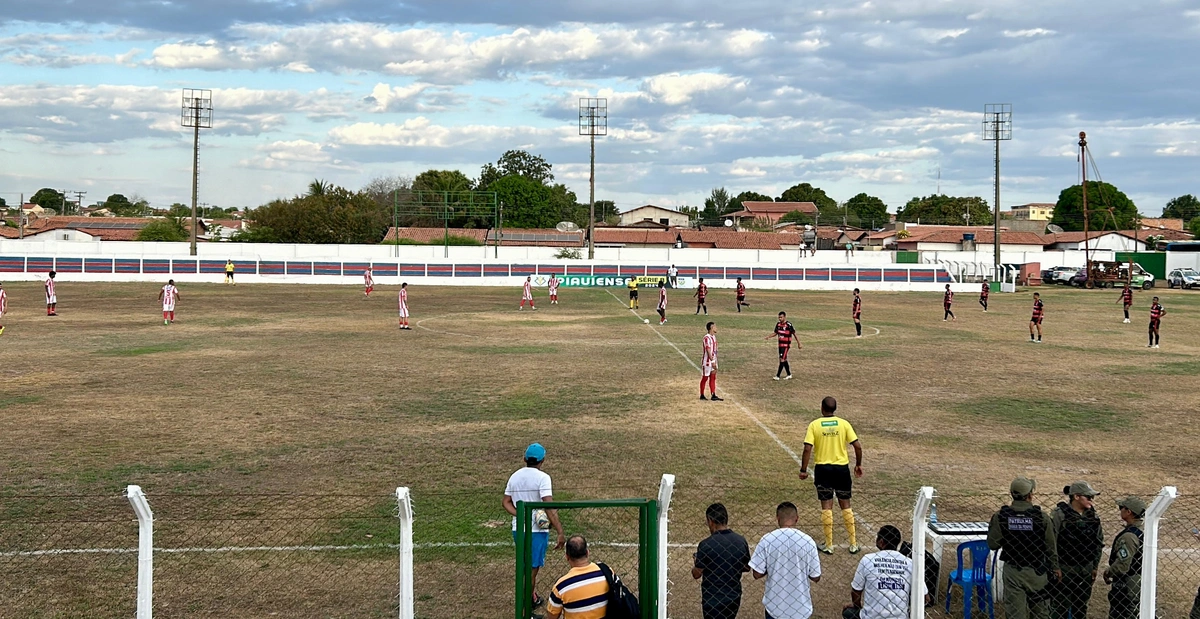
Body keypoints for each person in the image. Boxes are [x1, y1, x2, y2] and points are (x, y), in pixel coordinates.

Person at [504, 443, 566, 610]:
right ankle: (527, 607)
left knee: (526, 565)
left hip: (518, 529)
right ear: (542, 460)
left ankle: (531, 596)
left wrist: (521, 514)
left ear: (525, 459)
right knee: (532, 569)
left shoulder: (514, 476)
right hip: (537, 531)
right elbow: (549, 506)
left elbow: (506, 502)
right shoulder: (543, 478)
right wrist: (560, 531)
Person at [987, 477, 1059, 619]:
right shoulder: (1041, 517)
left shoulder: (1001, 516)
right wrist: (1056, 568)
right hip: (1038, 573)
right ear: (1030, 495)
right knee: (1041, 613)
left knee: (1015, 613)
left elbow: (993, 544)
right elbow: (1051, 547)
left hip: (1013, 571)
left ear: (1012, 494)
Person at [799, 396, 864, 554]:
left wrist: (803, 469)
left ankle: (829, 545)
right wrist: (858, 464)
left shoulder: (814, 425)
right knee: (846, 505)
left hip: (823, 469)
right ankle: (853, 543)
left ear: (822, 408)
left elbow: (807, 448)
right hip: (841, 469)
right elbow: (857, 446)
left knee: (826, 505)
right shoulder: (844, 424)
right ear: (835, 408)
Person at [749, 501, 822, 619]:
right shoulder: (808, 541)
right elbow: (816, 576)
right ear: (797, 519)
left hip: (775, 608)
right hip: (801, 609)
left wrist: (773, 565)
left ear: (777, 518)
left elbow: (757, 574)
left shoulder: (767, 540)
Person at [843, 525, 929, 619]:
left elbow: (856, 591)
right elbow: (925, 598)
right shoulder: (909, 563)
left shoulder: (867, 559)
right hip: (900, 617)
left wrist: (858, 608)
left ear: (881, 542)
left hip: (871, 617)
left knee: (848, 612)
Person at [1050, 481, 1104, 619]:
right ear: (1076, 497)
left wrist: (1094, 567)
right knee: (1059, 608)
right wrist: (1055, 567)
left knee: (1080, 608)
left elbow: (1098, 543)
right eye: (1088, 497)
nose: (1091, 500)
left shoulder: (1093, 517)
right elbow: (1052, 543)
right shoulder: (1059, 515)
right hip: (1065, 568)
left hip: (1085, 568)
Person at [692, 503, 750, 619]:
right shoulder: (740, 541)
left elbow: (696, 574)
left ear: (710, 521)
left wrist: (697, 561)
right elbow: (747, 567)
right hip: (733, 597)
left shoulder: (706, 544)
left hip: (712, 599)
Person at [545, 535, 609, 619]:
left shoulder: (561, 586)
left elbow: (552, 616)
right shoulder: (606, 572)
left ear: (567, 557)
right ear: (587, 553)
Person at [1103, 497, 1145, 619]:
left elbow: (1122, 565)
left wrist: (1108, 572)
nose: (1120, 510)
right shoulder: (1143, 530)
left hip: (1127, 584)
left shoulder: (1129, 536)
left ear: (1129, 512)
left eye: (1122, 508)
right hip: (1138, 580)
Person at [765, 311, 798, 380]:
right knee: (784, 359)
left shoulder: (788, 325)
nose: (780, 319)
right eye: (779, 317)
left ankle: (777, 376)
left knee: (782, 359)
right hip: (780, 345)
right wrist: (769, 336)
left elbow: (794, 333)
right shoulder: (778, 325)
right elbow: (776, 333)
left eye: (781, 317)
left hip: (786, 345)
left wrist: (799, 343)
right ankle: (789, 374)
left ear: (784, 317)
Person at [700, 322, 722, 401]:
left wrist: (715, 360)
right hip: (707, 362)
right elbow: (708, 350)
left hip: (713, 360)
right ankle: (702, 394)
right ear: (711, 328)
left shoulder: (714, 337)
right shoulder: (706, 338)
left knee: (713, 377)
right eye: (715, 326)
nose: (716, 328)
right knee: (705, 378)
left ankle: (713, 394)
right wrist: (712, 361)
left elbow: (715, 349)